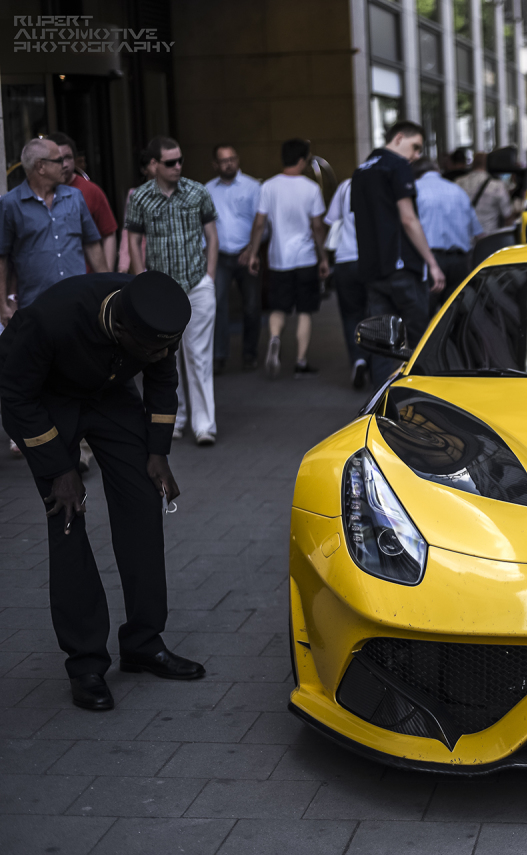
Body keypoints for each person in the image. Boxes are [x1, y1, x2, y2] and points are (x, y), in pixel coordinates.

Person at [0, 270, 208, 711]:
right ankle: (85, 663)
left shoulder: (153, 320)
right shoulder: (50, 320)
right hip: (48, 401)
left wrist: (157, 452)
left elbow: (162, 379)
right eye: (151, 349)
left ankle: (143, 643)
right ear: (119, 329)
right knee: (68, 517)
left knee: (142, 504)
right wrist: (60, 467)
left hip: (111, 399)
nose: (160, 354)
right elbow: (14, 394)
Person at [125, 136, 220, 446]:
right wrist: (141, 280)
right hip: (160, 291)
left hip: (196, 284)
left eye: (180, 160)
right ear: (155, 165)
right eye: (170, 162)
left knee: (200, 357)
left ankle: (204, 425)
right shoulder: (140, 198)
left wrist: (209, 276)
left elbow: (212, 235)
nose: (177, 166)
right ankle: (174, 420)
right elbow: (134, 240)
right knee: (166, 357)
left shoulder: (197, 192)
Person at [350, 120, 447, 382]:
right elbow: (408, 218)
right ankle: (425, 397)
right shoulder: (398, 166)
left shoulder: (360, 170)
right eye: (415, 147)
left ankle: (384, 403)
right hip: (401, 267)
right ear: (399, 138)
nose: (416, 155)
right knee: (419, 340)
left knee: (383, 342)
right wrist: (432, 263)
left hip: (372, 269)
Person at [244, 138, 328, 379]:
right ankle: (301, 362)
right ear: (302, 160)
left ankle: (274, 337)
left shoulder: (268, 187)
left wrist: (252, 252)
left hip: (278, 259)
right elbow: (318, 227)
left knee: (279, 308)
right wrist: (323, 257)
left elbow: (259, 223)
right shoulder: (311, 189)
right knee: (304, 311)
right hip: (305, 258)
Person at [0, 138, 107, 320]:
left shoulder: (75, 197)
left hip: (79, 301)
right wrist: (3, 305)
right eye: (58, 160)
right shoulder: (10, 204)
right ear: (40, 167)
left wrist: (107, 288)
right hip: (36, 307)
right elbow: (2, 258)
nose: (65, 165)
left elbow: (92, 245)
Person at [205, 143, 263, 374]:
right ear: (215, 164)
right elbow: (203, 226)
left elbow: (262, 224)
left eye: (232, 159)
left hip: (247, 254)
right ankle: (219, 355)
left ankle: (249, 354)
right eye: (223, 160)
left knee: (251, 306)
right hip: (218, 256)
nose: (229, 163)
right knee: (217, 305)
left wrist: (252, 250)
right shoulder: (207, 189)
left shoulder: (253, 186)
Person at [415, 157, 482, 311]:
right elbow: (478, 231)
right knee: (455, 313)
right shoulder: (457, 190)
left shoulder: (415, 189)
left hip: (429, 261)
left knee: (426, 315)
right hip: (460, 260)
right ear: (437, 171)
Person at [46, 132, 118, 273]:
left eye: (68, 158)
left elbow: (109, 233)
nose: (64, 164)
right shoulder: (38, 194)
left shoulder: (92, 191)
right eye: (59, 159)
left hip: (87, 276)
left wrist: (107, 275)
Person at [324, 176, 370, 389]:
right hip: (372, 261)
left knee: (351, 314)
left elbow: (331, 220)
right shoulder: (383, 183)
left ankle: (358, 360)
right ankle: (374, 362)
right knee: (375, 314)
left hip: (345, 261)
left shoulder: (345, 186)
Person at [117, 151, 157, 275]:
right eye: (152, 163)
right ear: (144, 170)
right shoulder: (135, 195)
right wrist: (123, 265)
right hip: (143, 262)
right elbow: (126, 232)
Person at [455, 151, 515, 234]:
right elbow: (507, 215)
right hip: (488, 238)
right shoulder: (497, 186)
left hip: (465, 237)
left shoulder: (458, 182)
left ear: (472, 164)